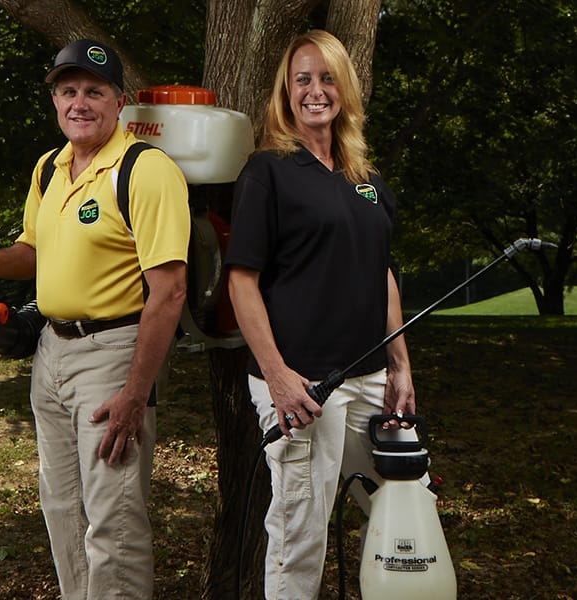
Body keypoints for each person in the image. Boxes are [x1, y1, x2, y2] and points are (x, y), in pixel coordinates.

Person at [0, 39, 190, 599]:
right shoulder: (49, 168)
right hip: (51, 352)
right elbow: (34, 249)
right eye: (67, 91)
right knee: (62, 508)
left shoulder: (146, 171)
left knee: (115, 520)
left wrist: (137, 391)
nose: (78, 103)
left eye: (93, 91)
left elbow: (171, 290)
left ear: (119, 102)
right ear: (55, 100)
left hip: (114, 355)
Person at [225, 30, 418, 599]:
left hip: (370, 381)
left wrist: (400, 365)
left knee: (408, 510)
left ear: (345, 88)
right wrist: (279, 378)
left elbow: (380, 272)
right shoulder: (268, 171)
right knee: (298, 537)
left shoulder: (367, 179)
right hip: (305, 386)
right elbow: (241, 281)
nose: (315, 91)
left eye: (327, 77)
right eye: (302, 79)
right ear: (287, 91)